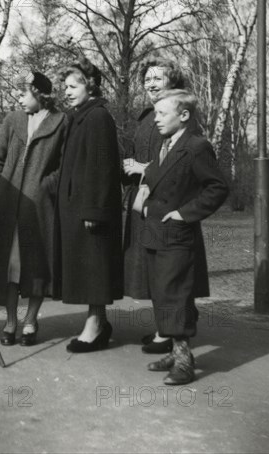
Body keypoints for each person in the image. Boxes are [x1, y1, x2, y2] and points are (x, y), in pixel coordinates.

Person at [142, 89, 228, 385]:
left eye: (162, 114)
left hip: (178, 236)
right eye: (155, 114)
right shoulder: (165, 146)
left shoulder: (196, 146)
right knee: (162, 294)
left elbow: (217, 187)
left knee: (176, 295)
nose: (156, 120)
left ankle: (183, 361)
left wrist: (184, 214)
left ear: (184, 116)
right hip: (156, 234)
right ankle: (178, 351)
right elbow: (156, 180)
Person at [122, 58, 209, 355]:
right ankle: (166, 328)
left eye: (158, 77)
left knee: (173, 272)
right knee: (156, 270)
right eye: (146, 77)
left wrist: (142, 168)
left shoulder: (183, 115)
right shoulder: (147, 116)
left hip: (172, 205)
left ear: (173, 81)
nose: (150, 82)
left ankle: (171, 336)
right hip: (148, 202)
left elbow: (179, 163)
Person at [0, 71, 66, 346]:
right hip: (9, 207)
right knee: (9, 267)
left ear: (40, 93)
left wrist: (46, 187)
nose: (18, 98)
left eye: (23, 93)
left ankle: (30, 321)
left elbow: (64, 167)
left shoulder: (60, 121)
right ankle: (10, 322)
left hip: (41, 208)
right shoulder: (12, 120)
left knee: (36, 266)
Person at [53, 58, 123, 353]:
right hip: (78, 207)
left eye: (73, 86)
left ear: (90, 85)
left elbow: (102, 167)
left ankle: (95, 326)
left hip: (91, 209)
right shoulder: (81, 116)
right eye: (64, 87)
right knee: (89, 269)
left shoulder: (98, 118)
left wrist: (95, 210)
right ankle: (99, 323)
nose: (66, 92)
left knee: (95, 269)